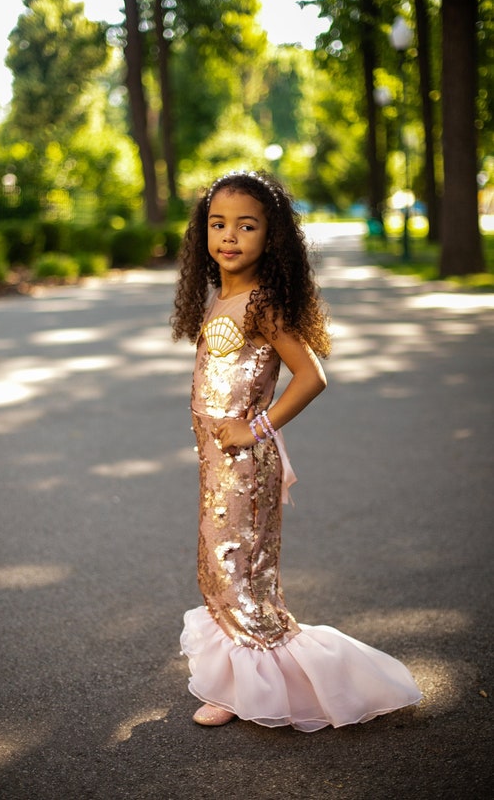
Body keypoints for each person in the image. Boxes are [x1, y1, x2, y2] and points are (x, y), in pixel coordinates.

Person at [172, 170, 421, 731]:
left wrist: (254, 429)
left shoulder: (263, 304)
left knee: (240, 570)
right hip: (218, 467)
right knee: (218, 567)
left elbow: (312, 377)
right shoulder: (222, 295)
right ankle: (235, 677)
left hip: (245, 464)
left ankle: (253, 686)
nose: (229, 237)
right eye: (218, 224)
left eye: (246, 225)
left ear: (272, 236)